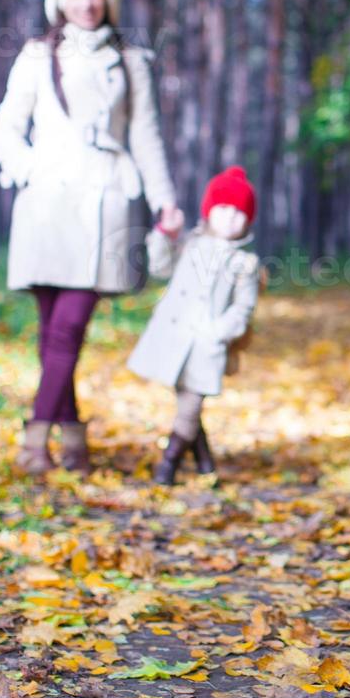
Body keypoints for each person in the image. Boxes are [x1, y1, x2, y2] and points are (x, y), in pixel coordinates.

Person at [0, 0, 181, 475]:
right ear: (59, 1)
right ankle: (72, 440)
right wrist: (29, 168)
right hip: (46, 206)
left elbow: (146, 136)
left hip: (106, 202)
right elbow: (4, 129)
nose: (86, 2)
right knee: (51, 332)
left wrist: (165, 201)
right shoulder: (35, 56)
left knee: (69, 328)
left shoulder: (131, 60)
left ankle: (34, 439)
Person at [126, 166, 263, 485]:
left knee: (190, 404)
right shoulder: (189, 245)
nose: (230, 217)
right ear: (209, 211)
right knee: (186, 402)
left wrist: (219, 333)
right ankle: (205, 463)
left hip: (206, 343)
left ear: (248, 220)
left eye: (239, 212)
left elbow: (243, 307)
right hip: (174, 337)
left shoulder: (245, 264)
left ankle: (168, 465)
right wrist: (163, 235)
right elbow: (160, 267)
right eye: (224, 208)